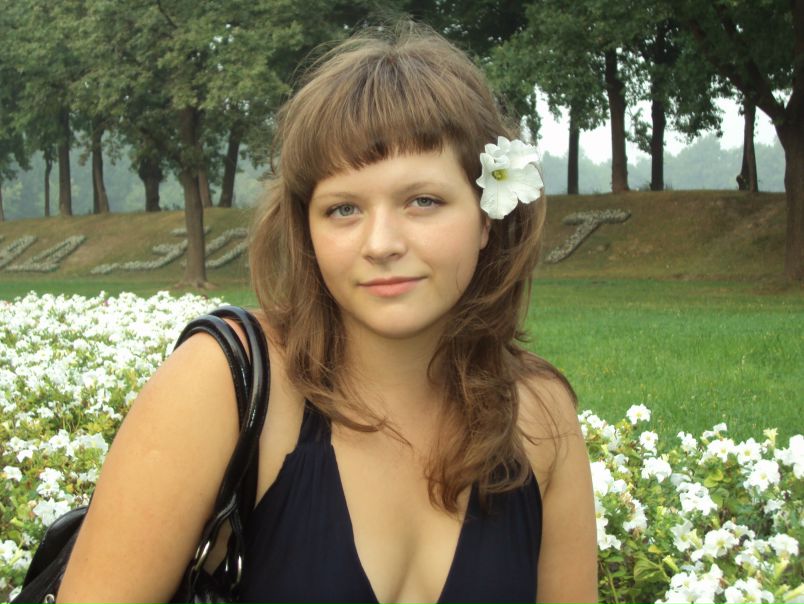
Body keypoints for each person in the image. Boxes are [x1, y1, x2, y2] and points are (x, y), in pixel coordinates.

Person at [58, 23, 597, 604]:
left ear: (487, 217)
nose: (381, 243)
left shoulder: (542, 419)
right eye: (343, 209)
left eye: (423, 201)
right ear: (306, 229)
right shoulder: (224, 384)